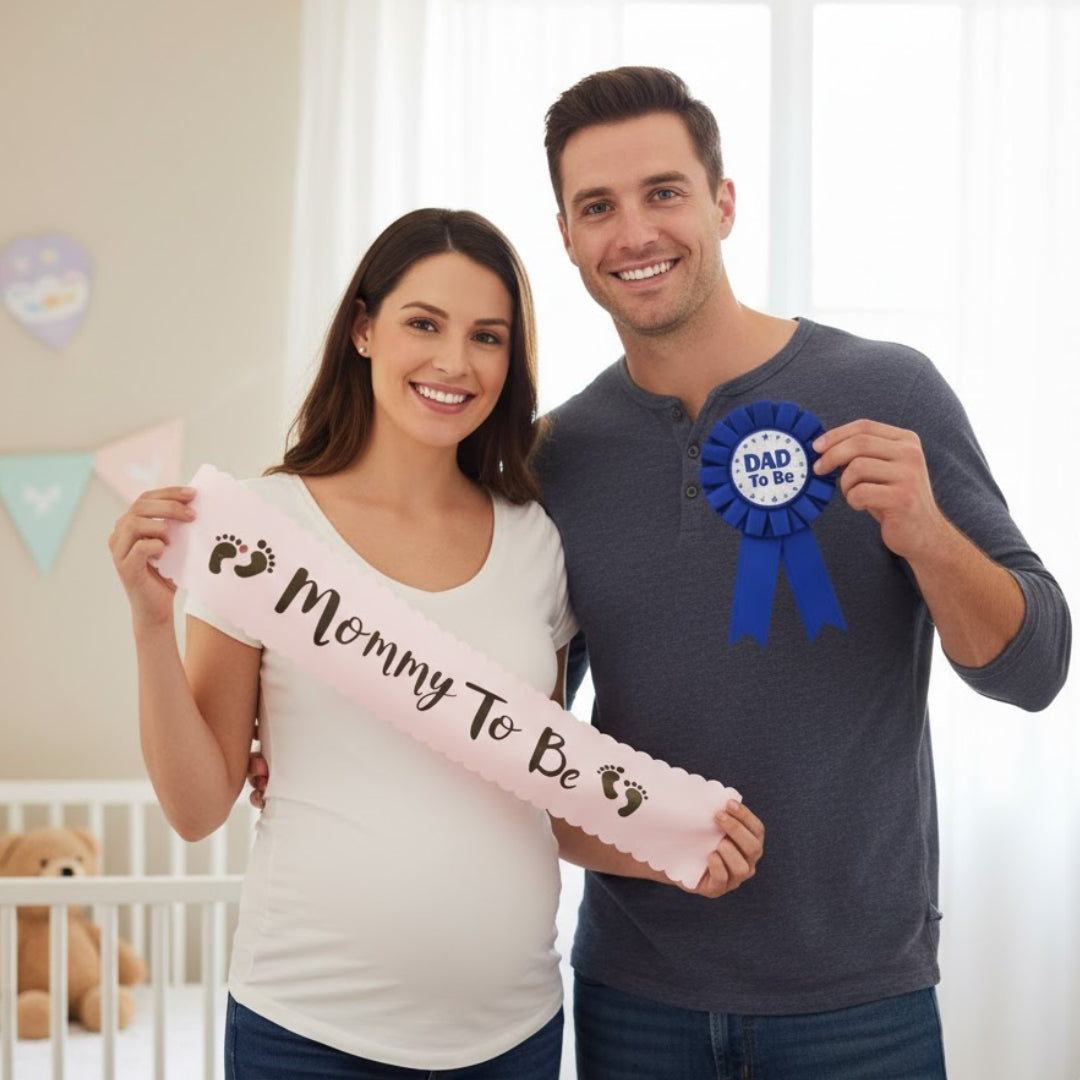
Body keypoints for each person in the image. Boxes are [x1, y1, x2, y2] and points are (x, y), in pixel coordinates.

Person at [109, 207, 764, 1080]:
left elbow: (547, 787)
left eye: (487, 337)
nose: (455, 363)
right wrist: (151, 623)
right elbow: (196, 810)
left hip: (512, 1035)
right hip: (308, 1031)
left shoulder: (539, 539)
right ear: (365, 329)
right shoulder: (265, 531)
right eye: (425, 323)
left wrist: (684, 848)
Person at [529, 67, 1071, 1079]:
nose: (634, 232)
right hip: (633, 999)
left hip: (860, 1002)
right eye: (597, 207)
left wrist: (929, 535)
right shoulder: (555, 457)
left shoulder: (887, 389)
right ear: (566, 236)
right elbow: (528, 747)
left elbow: (1034, 669)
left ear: (723, 203)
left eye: (664, 192)